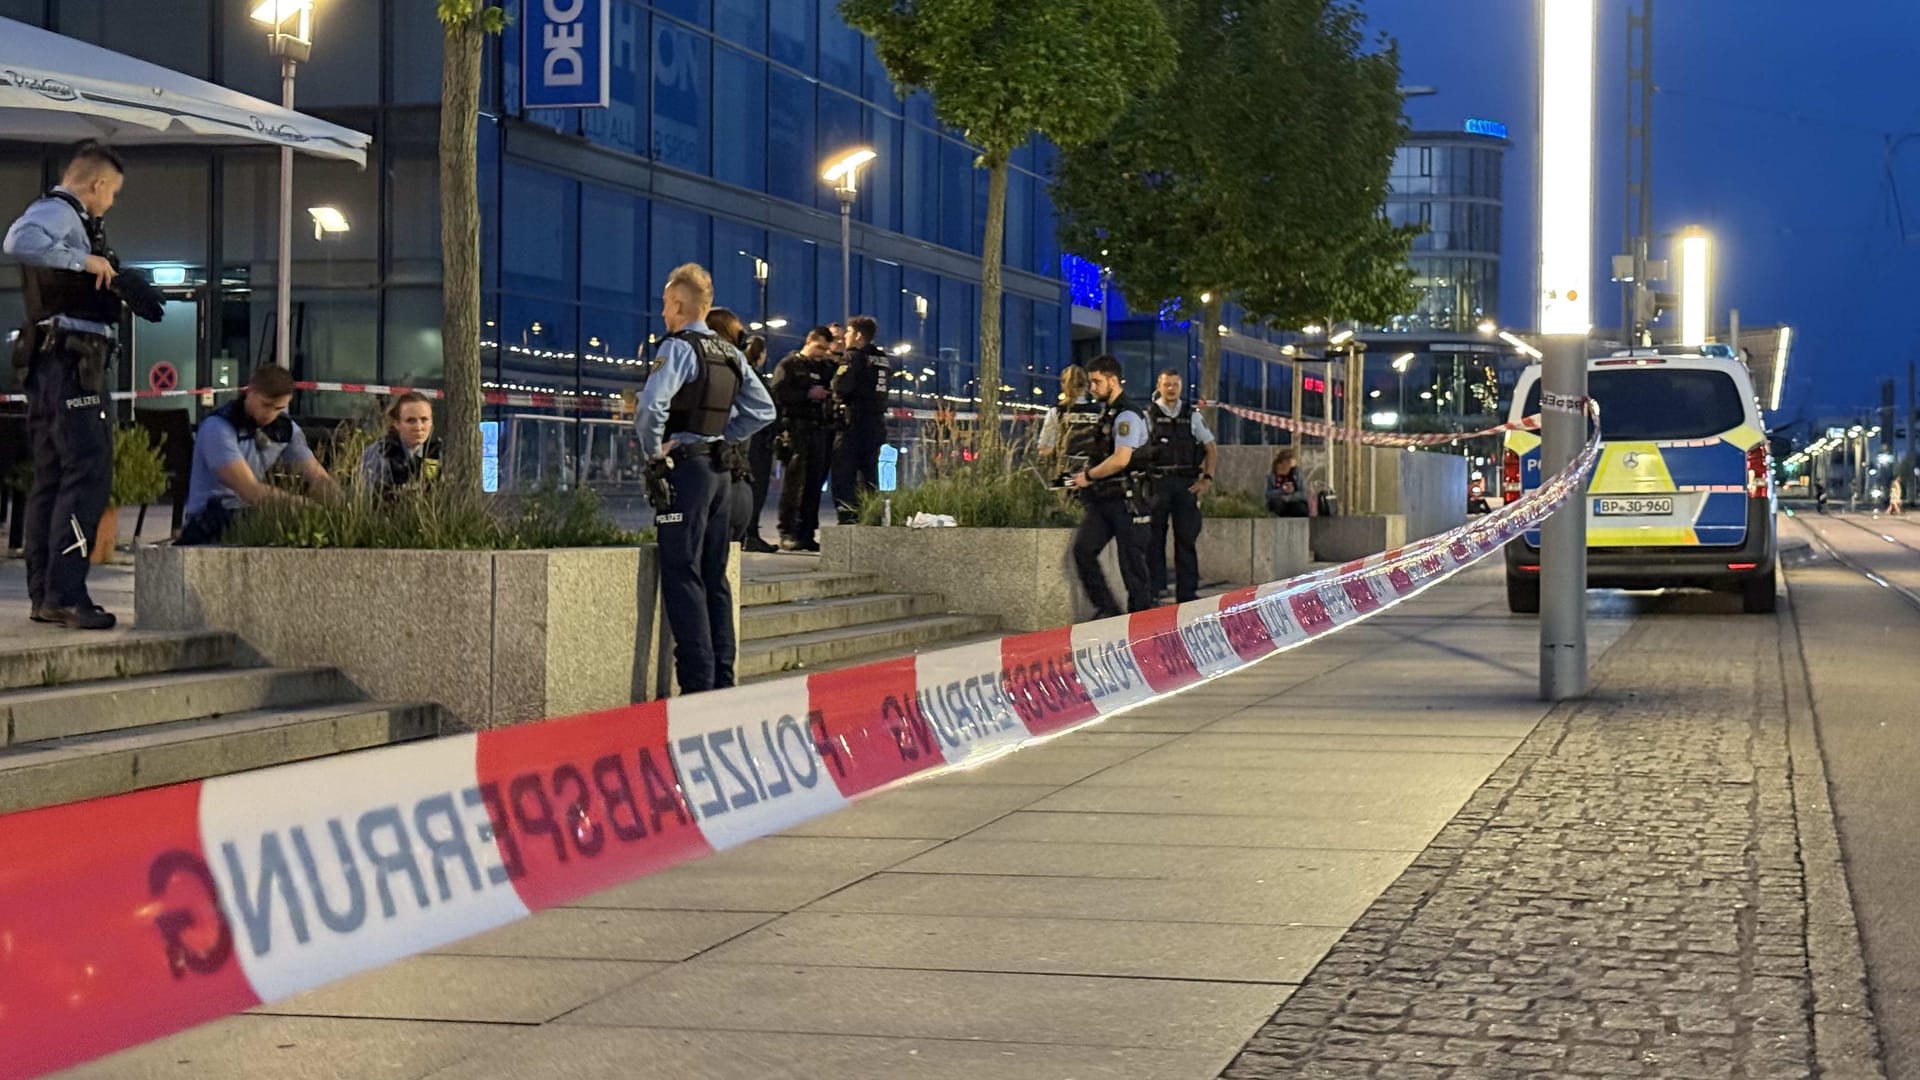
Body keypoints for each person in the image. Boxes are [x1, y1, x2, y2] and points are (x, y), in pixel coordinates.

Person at [4, 140, 163, 629]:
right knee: (88, 473)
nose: (111, 202)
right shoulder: (58, 212)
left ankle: (47, 596)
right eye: (112, 192)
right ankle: (69, 595)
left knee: (52, 479)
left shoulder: (67, 220)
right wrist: (87, 262)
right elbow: (17, 241)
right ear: (96, 185)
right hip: (73, 365)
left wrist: (115, 282)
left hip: (53, 364)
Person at [636, 263, 775, 694]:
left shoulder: (678, 348)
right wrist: (724, 436)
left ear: (678, 304)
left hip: (690, 471)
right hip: (721, 473)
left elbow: (651, 407)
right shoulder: (731, 353)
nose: (662, 313)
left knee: (683, 572)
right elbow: (763, 410)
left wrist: (653, 451)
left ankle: (696, 685)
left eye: (665, 304)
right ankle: (722, 681)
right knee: (715, 576)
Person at [178, 363, 342, 545]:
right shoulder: (217, 428)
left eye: (278, 409)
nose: (270, 414)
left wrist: (343, 508)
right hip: (210, 520)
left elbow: (317, 476)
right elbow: (249, 489)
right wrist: (305, 506)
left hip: (251, 514)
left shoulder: (285, 430)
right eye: (266, 405)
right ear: (250, 391)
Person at [1063, 354, 1153, 618]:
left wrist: (1089, 475)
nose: (1092, 388)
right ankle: (1108, 610)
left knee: (1132, 567)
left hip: (1127, 500)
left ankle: (1142, 622)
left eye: (1096, 382)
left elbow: (1121, 459)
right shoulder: (1109, 412)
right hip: (1104, 499)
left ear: (1113, 380)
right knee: (1083, 551)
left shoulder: (1127, 414)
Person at [1144, 368, 1218, 603]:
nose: (1171, 389)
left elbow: (1210, 448)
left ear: (1181, 386)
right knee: (1154, 538)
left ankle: (1187, 593)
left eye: (1175, 384)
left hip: (1186, 484)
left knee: (1186, 539)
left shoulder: (1192, 415)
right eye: (1167, 384)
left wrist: (1207, 478)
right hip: (1158, 484)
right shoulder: (1149, 415)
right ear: (1159, 385)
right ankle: (1155, 589)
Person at [704, 308, 766, 550]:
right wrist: (732, 436)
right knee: (723, 570)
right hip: (739, 479)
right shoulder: (737, 367)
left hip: (716, 479)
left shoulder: (710, 367)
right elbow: (764, 411)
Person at [771, 325, 837, 551]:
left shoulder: (825, 368)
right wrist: (806, 394)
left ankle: (807, 532)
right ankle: (787, 531)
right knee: (794, 484)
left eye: (825, 349)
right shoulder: (789, 365)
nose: (822, 353)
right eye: (819, 347)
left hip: (817, 429)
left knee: (814, 484)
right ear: (810, 341)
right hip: (796, 429)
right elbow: (778, 393)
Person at [830, 315, 892, 523]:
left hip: (853, 424)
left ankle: (848, 518)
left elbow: (840, 386)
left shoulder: (853, 357)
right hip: (876, 425)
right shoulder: (882, 358)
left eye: (848, 332)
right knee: (871, 476)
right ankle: (872, 517)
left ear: (858, 335)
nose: (846, 336)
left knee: (844, 475)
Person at [358, 392, 443, 492]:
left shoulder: (440, 452)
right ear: (396, 423)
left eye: (424, 419)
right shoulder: (380, 454)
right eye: (411, 421)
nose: (419, 427)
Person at [740, 334, 778, 551]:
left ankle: (748, 533)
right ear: (761, 354)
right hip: (756, 441)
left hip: (754, 440)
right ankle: (750, 533)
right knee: (755, 489)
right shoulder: (752, 377)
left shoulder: (745, 374)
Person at [1036, 364, 1098, 460]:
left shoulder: (1056, 412)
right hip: (1093, 470)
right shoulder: (1099, 412)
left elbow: (1043, 447)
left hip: (1064, 468)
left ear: (1063, 385)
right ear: (1087, 384)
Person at [1266, 448, 1310, 517]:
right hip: (1280, 502)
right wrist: (1282, 491)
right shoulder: (1272, 475)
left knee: (1299, 508)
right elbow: (1268, 494)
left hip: (1294, 501)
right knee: (1276, 505)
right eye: (1290, 460)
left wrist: (1290, 497)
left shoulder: (1296, 472)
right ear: (1284, 461)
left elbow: (1303, 493)